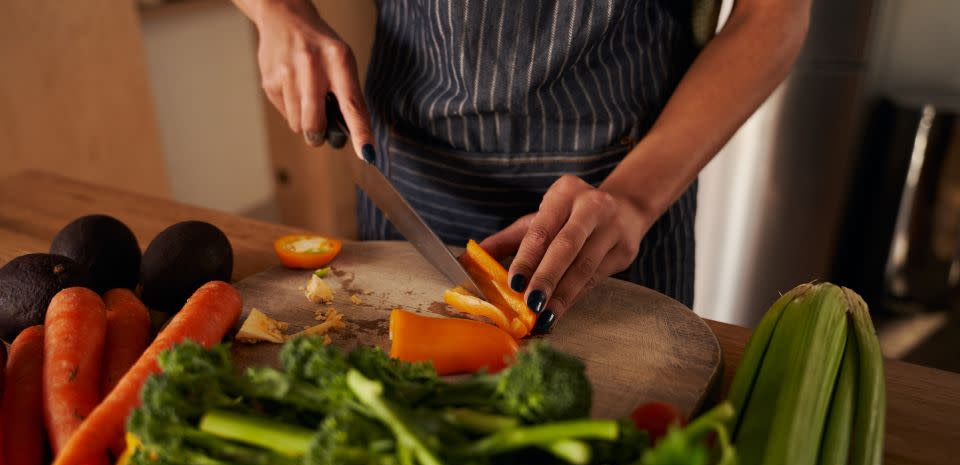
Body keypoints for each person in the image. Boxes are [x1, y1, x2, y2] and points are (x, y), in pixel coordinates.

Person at [232, 0, 811, 332]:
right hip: (411, 167)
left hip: (626, 187)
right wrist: (277, 12)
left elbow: (771, 15)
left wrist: (634, 196)